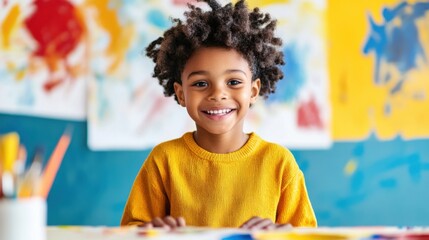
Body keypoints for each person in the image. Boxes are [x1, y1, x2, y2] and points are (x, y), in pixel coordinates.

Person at [121, 0, 317, 230]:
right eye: (201, 83)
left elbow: (307, 234)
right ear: (181, 93)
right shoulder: (164, 160)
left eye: (233, 82)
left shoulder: (280, 163)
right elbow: (131, 231)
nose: (218, 94)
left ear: (253, 91)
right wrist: (152, 232)